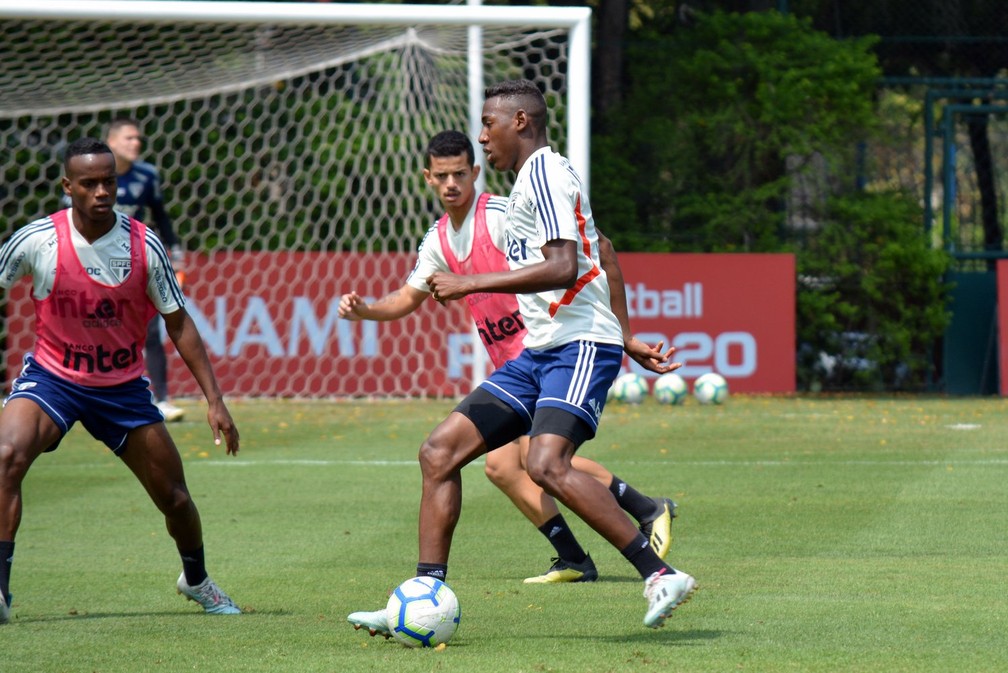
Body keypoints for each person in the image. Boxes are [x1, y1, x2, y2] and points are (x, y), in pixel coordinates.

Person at [348, 80, 697, 632]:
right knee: (439, 452)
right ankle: (420, 595)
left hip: (578, 345)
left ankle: (659, 574)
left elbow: (568, 263)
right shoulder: (523, 187)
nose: (482, 136)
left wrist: (472, 283)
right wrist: (627, 336)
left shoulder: (545, 173)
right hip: (541, 353)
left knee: (544, 464)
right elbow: (594, 252)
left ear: (519, 123)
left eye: (488, 124)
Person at [0, 137, 241, 625]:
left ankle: (195, 580)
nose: (101, 191)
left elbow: (178, 322)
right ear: (68, 187)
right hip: (53, 380)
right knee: (6, 454)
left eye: (108, 180)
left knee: (175, 497)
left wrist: (214, 399)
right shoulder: (36, 240)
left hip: (122, 389)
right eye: (88, 183)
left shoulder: (143, 244)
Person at [62, 118, 187, 422]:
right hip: (88, 262)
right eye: (130, 138)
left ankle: (161, 399)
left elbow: (161, 215)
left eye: (139, 139)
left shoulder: (147, 175)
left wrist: (176, 250)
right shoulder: (86, 174)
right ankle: (65, 387)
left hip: (131, 261)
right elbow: (66, 218)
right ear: (113, 142)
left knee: (153, 328)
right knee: (81, 325)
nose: (137, 144)